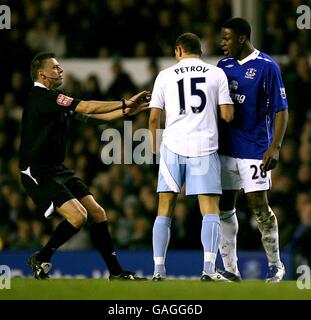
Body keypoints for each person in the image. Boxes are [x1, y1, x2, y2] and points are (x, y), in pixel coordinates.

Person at [19, 52, 150, 280]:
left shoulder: (55, 97)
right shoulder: (40, 97)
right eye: (55, 67)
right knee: (78, 217)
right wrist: (124, 102)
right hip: (37, 170)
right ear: (42, 74)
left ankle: (116, 273)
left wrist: (126, 112)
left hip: (57, 168)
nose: (60, 70)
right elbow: (88, 107)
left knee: (97, 213)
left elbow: (91, 117)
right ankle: (42, 257)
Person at [148, 33, 234, 281]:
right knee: (210, 211)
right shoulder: (216, 74)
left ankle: (158, 270)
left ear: (178, 51)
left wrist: (155, 148)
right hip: (204, 147)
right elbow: (227, 114)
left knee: (164, 210)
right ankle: (208, 269)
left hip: (172, 146)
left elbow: (154, 117)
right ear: (200, 51)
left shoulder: (164, 76)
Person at [217, 18, 288, 282]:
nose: (221, 43)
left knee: (259, 206)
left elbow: (281, 109)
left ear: (242, 39)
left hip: (255, 149)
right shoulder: (222, 66)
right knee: (225, 206)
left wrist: (275, 146)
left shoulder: (267, 66)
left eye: (226, 38)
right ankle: (230, 269)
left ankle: (275, 265)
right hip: (226, 148)